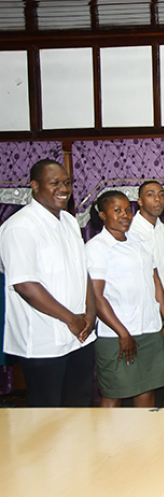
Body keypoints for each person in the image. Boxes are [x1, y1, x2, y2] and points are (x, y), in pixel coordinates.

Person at [0, 159, 97, 407]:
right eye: (54, 183)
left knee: (78, 407)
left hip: (81, 335)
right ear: (34, 185)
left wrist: (90, 312)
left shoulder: (69, 222)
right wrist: (71, 319)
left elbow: (81, 270)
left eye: (67, 183)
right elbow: (25, 286)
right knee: (47, 418)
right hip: (43, 342)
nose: (63, 189)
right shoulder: (20, 227)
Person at [85, 191, 164, 408]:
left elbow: (156, 282)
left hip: (149, 329)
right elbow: (97, 296)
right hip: (117, 334)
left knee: (146, 390)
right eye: (117, 211)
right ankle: (108, 443)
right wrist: (122, 333)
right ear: (103, 215)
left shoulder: (140, 242)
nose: (125, 215)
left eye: (127, 210)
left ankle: (144, 440)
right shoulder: (97, 247)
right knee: (114, 392)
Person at [129, 181, 164, 296]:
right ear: (140, 201)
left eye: (161, 195)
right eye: (151, 195)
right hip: (141, 298)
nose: (157, 199)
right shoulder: (130, 232)